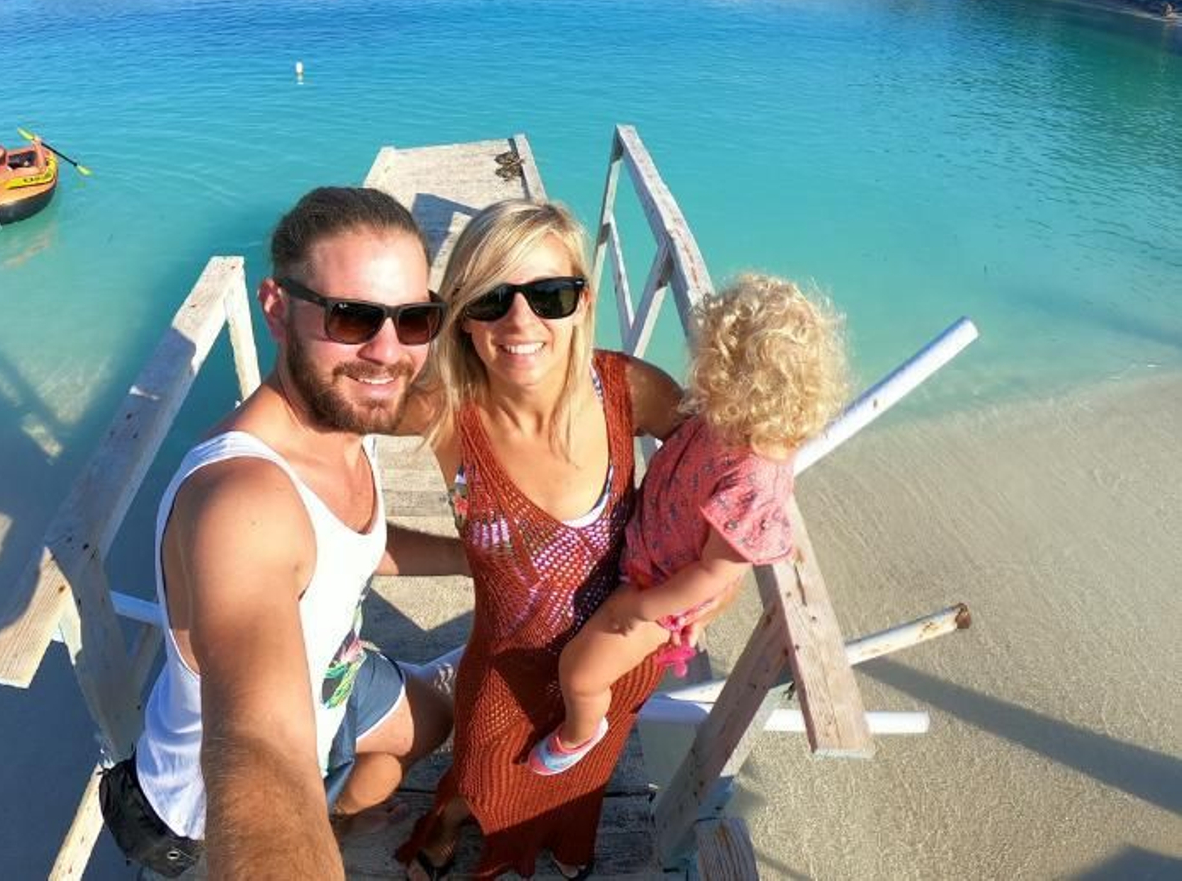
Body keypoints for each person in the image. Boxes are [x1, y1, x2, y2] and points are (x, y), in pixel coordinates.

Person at [102, 187, 466, 880]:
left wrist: (468, 556)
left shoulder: (345, 412)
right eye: (352, 316)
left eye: (415, 318)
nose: (388, 353)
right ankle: (325, 815)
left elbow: (343, 548)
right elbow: (261, 745)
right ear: (276, 307)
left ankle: (343, 812)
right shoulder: (244, 503)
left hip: (334, 671)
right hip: (214, 818)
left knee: (437, 720)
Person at [397, 199, 685, 880]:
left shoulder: (629, 391)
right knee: (478, 772)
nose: (520, 321)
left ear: (583, 303)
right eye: (492, 298)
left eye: (549, 294)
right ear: (460, 314)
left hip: (615, 660)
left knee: (579, 779)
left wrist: (711, 579)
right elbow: (329, 404)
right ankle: (449, 823)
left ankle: (559, 842)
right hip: (505, 661)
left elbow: (717, 464)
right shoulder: (445, 413)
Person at [531, 273, 848, 778]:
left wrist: (640, 607)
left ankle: (579, 732)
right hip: (652, 547)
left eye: (710, 359)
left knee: (581, 671)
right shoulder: (732, 420)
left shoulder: (754, 476)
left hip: (662, 589)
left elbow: (714, 574)